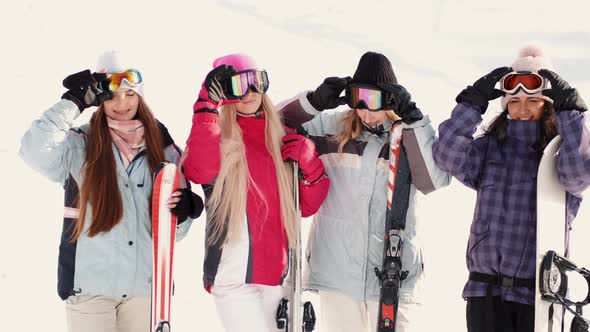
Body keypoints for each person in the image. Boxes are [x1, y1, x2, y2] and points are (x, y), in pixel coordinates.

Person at [19, 51, 203, 332]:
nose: (122, 103)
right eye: (112, 94)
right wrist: (73, 103)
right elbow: (34, 151)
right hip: (91, 290)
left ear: (140, 96)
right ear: (98, 98)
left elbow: (171, 234)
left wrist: (184, 212)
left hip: (146, 289)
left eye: (130, 94)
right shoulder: (79, 144)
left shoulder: (163, 149)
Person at [277, 51, 451, 332]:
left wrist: (416, 121)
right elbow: (271, 127)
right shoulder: (330, 129)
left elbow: (434, 179)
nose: (367, 111)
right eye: (359, 99)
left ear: (392, 98)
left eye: (375, 100)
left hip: (393, 274)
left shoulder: (407, 134)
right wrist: (313, 103)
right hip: (338, 273)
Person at [432, 45, 590, 332]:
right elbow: (446, 155)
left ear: (549, 106)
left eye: (533, 100)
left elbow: (577, 176)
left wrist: (573, 116)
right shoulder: (489, 149)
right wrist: (472, 105)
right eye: (514, 101)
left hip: (537, 297)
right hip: (485, 291)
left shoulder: (559, 154)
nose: (523, 108)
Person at [183, 53, 330, 331]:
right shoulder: (216, 136)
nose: (250, 92)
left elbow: (307, 206)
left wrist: (310, 163)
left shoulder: (281, 135)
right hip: (233, 275)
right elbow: (198, 171)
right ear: (223, 93)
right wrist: (206, 107)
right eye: (238, 86)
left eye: (256, 81)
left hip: (279, 274)